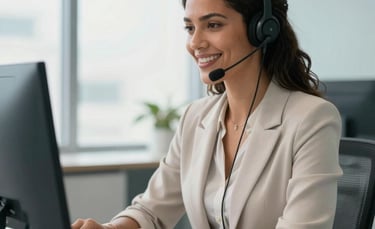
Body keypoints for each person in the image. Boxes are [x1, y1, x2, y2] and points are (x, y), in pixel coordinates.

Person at [72, 0, 343, 228]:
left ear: (261, 30)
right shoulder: (195, 118)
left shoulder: (312, 119)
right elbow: (151, 211)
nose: (195, 43)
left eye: (213, 25)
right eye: (190, 28)